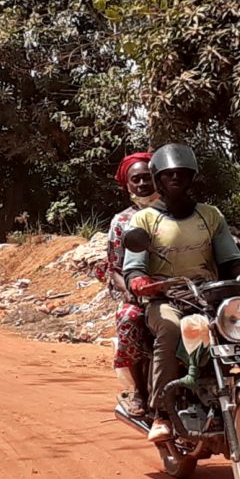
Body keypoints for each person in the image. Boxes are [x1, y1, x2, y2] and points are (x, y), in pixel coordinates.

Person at [122, 144, 240, 442]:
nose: (175, 178)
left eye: (182, 173)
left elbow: (230, 260)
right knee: (170, 329)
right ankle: (161, 412)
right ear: (158, 178)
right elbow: (133, 268)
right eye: (168, 174)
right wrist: (140, 281)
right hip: (165, 298)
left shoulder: (210, 215)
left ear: (192, 177)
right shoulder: (144, 219)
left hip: (208, 296)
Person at [103, 152, 158, 418]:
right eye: (136, 179)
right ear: (127, 185)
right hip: (140, 294)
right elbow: (114, 268)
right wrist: (131, 291)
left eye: (148, 177)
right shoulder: (121, 222)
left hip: (181, 290)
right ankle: (139, 392)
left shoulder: (175, 213)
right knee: (129, 318)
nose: (143, 184)